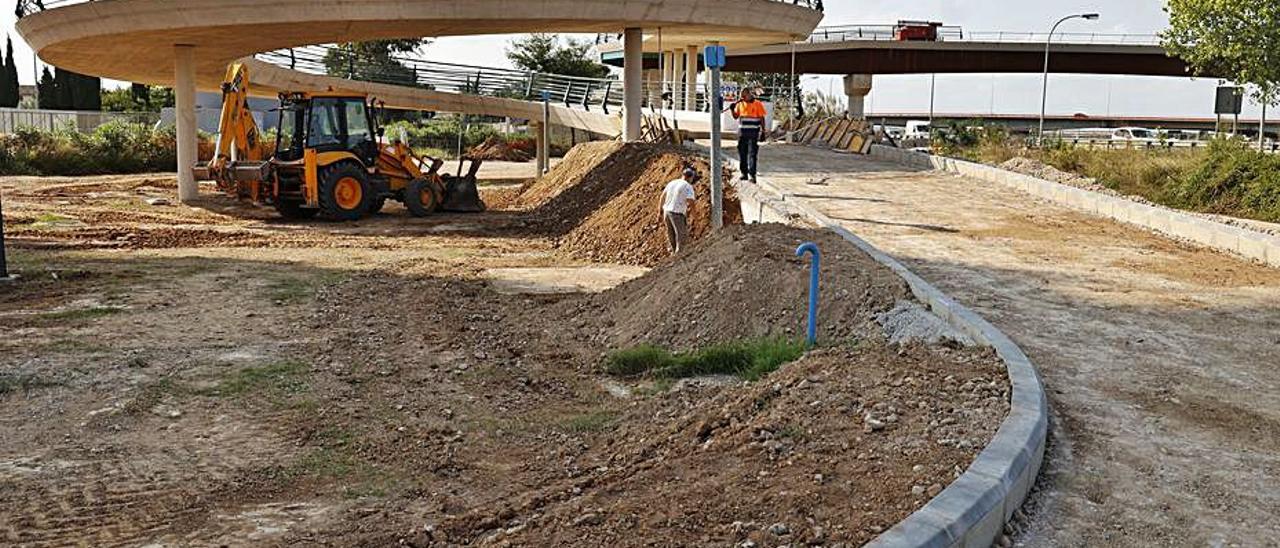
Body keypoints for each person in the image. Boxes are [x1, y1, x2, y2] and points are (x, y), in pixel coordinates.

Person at [731, 88, 767, 183]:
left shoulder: (758, 104)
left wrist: (763, 131)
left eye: (744, 96)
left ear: (749, 94)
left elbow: (762, 118)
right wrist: (732, 109)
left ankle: (752, 175)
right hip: (742, 134)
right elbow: (735, 116)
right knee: (742, 153)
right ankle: (744, 173)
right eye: (741, 96)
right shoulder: (740, 104)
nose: (742, 98)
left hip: (753, 133)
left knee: (752, 154)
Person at [660, 167, 699, 254]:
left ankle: (673, 254)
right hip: (677, 214)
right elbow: (691, 203)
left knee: (671, 234)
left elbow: (662, 196)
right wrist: (695, 218)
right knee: (681, 236)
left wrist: (660, 211)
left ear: (683, 175)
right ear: (691, 177)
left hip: (666, 212)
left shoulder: (672, 183)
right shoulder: (688, 187)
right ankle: (678, 256)